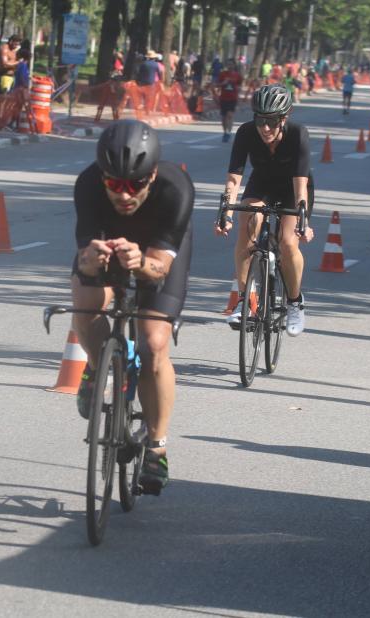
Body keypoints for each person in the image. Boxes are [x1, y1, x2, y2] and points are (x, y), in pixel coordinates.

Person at [72, 119, 193, 495]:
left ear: (152, 175)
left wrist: (140, 262)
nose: (124, 194)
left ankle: (156, 447)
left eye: (135, 184)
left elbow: (159, 269)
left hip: (156, 255)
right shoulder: (88, 184)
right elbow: (84, 261)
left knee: (153, 343)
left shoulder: (176, 189)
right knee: (85, 305)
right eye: (114, 184)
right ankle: (96, 368)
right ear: (102, 177)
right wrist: (90, 261)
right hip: (108, 247)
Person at [216, 84, 314, 336]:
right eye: (260, 120)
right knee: (247, 227)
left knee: (288, 243)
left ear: (284, 118)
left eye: (271, 121)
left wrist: (303, 221)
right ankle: (245, 300)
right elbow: (234, 178)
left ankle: (295, 302)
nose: (265, 128)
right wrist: (226, 213)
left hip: (293, 187)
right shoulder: (246, 132)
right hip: (262, 183)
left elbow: (300, 185)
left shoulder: (298, 134)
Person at [217, 59, 242, 142]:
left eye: (231, 64)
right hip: (223, 98)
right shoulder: (222, 74)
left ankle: (228, 132)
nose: (229, 66)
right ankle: (225, 132)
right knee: (224, 117)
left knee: (230, 115)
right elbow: (218, 84)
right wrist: (223, 83)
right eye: (228, 64)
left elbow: (239, 86)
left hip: (233, 98)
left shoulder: (237, 75)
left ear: (234, 65)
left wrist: (239, 97)